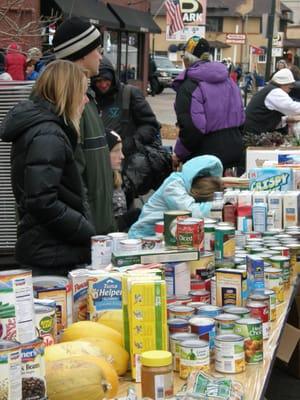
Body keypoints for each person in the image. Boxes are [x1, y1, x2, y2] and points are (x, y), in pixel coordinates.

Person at [0, 60, 96, 276]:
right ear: (68, 93)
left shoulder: (45, 129)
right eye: (82, 92)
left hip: (49, 249)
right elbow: (42, 201)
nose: (86, 99)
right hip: (51, 254)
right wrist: (85, 230)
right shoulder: (48, 134)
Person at [53, 16, 116, 234]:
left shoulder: (84, 96)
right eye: (97, 50)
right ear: (81, 54)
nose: (100, 56)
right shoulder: (66, 101)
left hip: (94, 232)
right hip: (81, 236)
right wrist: (86, 229)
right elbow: (71, 179)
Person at [91, 56, 172, 204]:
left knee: (123, 203)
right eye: (98, 81)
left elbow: (150, 125)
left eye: (106, 80)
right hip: (100, 162)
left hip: (127, 161)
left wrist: (133, 141)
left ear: (113, 77)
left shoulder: (129, 94)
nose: (102, 85)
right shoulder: (91, 99)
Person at [173, 36, 245, 172]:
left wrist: (179, 153)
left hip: (205, 154)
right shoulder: (229, 81)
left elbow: (192, 129)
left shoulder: (189, 86)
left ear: (187, 60)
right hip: (235, 149)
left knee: (203, 193)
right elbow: (242, 117)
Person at [128, 155, 223, 238]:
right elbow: (193, 213)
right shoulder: (173, 186)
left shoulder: (184, 185)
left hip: (165, 236)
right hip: (143, 236)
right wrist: (219, 205)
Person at [243, 68, 300, 145]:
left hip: (253, 131)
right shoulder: (275, 92)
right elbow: (294, 108)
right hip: (254, 133)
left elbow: (267, 114)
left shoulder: (270, 89)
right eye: (290, 87)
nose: (290, 89)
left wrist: (286, 119)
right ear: (283, 84)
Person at [106, 129, 141, 232]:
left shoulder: (122, 178)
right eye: (116, 151)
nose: (122, 156)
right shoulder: (96, 183)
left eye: (121, 150)